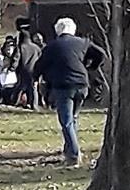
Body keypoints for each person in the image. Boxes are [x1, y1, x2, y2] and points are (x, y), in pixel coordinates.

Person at [33, 17, 106, 166]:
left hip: (63, 86)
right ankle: (69, 149)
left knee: (66, 121)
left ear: (57, 31)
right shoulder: (83, 42)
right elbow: (101, 54)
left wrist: (37, 78)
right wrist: (90, 66)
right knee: (73, 118)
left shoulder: (52, 47)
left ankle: (73, 155)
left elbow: (39, 66)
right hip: (82, 85)